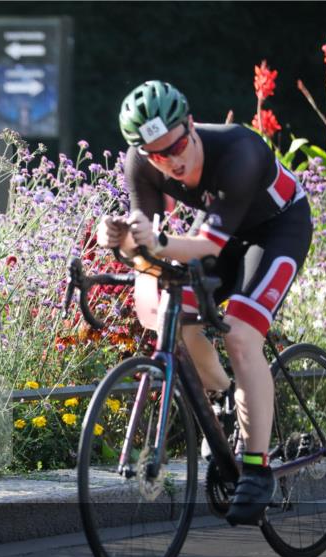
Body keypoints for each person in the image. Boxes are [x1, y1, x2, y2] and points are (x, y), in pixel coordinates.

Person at [95, 80, 313, 525]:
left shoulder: (238, 152)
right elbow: (150, 243)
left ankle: (257, 468)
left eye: (176, 146)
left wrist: (152, 241)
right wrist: (117, 241)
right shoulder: (142, 163)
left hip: (276, 231)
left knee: (241, 332)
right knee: (179, 318)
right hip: (216, 237)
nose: (171, 161)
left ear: (190, 125)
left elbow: (204, 245)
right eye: (157, 155)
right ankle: (227, 402)